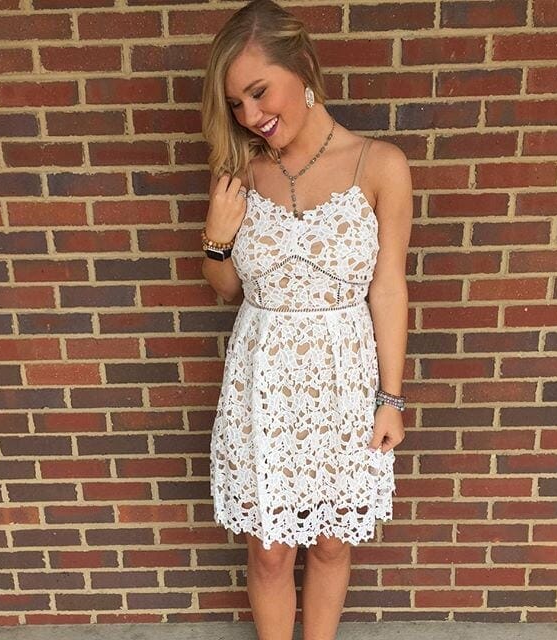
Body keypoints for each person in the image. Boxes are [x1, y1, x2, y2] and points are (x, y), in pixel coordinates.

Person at [200, 1, 412, 638]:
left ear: (303, 68)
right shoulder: (240, 168)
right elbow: (226, 287)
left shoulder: (380, 165)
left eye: (258, 92)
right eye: (236, 104)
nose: (250, 116)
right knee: (269, 550)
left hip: (343, 379)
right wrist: (216, 239)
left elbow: (389, 288)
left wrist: (391, 398)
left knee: (330, 543)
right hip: (262, 382)